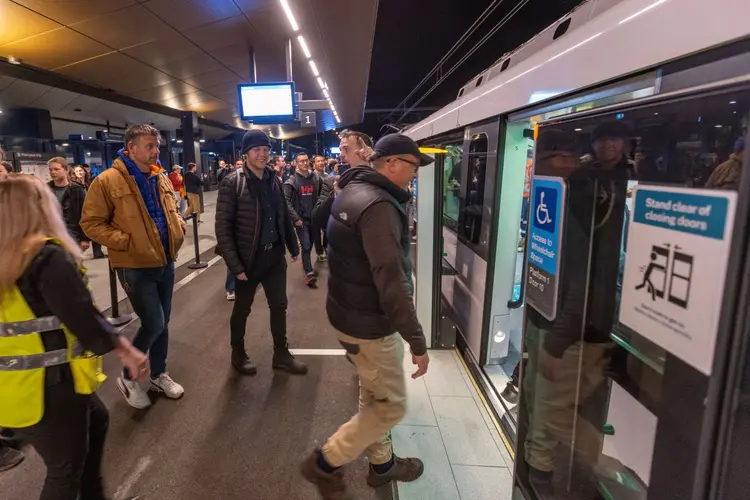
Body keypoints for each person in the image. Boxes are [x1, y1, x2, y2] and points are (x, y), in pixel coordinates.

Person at [0, 173, 148, 500]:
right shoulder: (43, 256)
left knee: (97, 421)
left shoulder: (7, 258)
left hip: (15, 387)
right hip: (50, 387)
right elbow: (81, 315)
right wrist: (127, 350)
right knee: (65, 471)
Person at [301, 133, 432, 497]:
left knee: (373, 394)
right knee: (390, 409)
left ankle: (382, 465)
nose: (415, 174)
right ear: (391, 164)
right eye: (413, 166)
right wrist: (417, 340)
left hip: (347, 315)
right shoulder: (379, 206)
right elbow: (391, 280)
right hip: (371, 326)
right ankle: (324, 462)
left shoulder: (350, 189)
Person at [81, 124, 186, 409]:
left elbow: (173, 209)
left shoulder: (160, 176)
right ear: (131, 148)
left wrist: (178, 229)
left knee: (163, 323)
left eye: (157, 145)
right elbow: (90, 224)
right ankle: (128, 377)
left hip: (166, 259)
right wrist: (125, 241)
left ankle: (158, 373)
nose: (155, 151)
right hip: (135, 265)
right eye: (149, 146)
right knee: (154, 321)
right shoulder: (107, 180)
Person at [215, 129, 307, 376]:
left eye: (266, 149)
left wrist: (292, 245)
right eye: (257, 149)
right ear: (246, 153)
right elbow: (222, 229)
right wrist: (236, 267)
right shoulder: (233, 182)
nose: (262, 154)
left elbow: (283, 214)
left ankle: (281, 354)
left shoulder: (274, 179)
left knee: (279, 305)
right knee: (242, 309)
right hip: (248, 260)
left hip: (274, 257)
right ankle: (238, 353)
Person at [312, 130, 373, 243]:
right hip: (338, 247)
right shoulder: (331, 181)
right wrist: (336, 196)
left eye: (346, 149)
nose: (341, 154)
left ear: (365, 150)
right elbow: (317, 217)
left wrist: (375, 163)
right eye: (340, 149)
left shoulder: (377, 177)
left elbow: (400, 197)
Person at [283, 152, 323, 287]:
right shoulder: (291, 182)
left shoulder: (316, 178)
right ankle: (309, 272)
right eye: (301, 161)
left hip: (314, 218)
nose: (304, 163)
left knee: (310, 244)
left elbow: (322, 195)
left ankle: (308, 267)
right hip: (301, 220)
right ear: (296, 163)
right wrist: (295, 218)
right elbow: (286, 202)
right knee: (305, 245)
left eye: (306, 160)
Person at [47, 157, 89, 252]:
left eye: (56, 169)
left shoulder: (77, 189)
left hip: (73, 235)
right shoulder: (46, 189)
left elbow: (85, 214)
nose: (53, 172)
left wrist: (85, 238)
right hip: (52, 236)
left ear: (66, 170)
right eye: (50, 170)